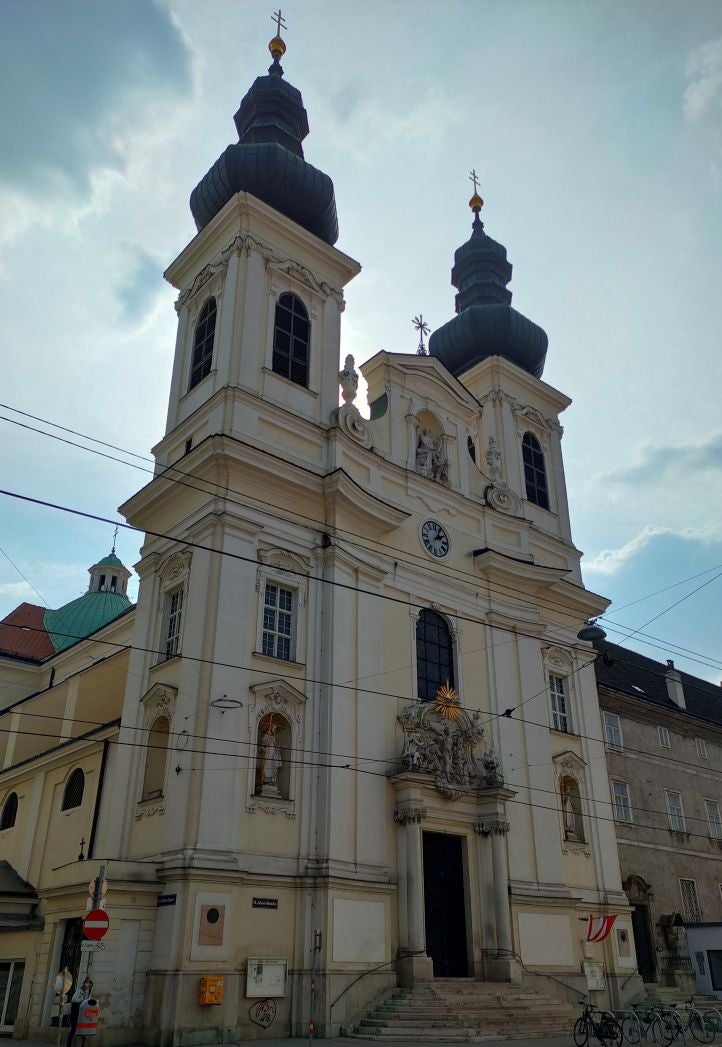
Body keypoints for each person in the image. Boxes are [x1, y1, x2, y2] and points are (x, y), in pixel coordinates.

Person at [67, 977, 92, 1047]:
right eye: (86, 983)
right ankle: (68, 1045)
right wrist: (82, 1000)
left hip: (83, 1014)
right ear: (84, 984)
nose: (87, 985)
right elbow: (73, 999)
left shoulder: (89, 992)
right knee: (73, 1029)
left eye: (89, 984)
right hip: (75, 1013)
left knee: (83, 1031)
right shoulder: (79, 991)